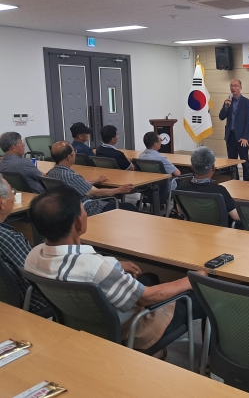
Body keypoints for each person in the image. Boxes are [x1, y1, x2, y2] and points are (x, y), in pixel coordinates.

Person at [24, 185, 206, 350]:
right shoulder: (98, 268)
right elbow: (148, 297)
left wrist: (115, 264)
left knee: (150, 277)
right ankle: (207, 361)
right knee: (202, 297)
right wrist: (190, 280)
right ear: (78, 223)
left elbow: (84, 266)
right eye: (83, 210)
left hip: (82, 324)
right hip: (133, 330)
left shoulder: (32, 257)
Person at [47, 141, 136, 216]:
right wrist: (119, 190)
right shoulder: (70, 176)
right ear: (69, 157)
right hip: (89, 209)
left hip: (66, 208)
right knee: (129, 207)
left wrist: (96, 180)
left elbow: (78, 184)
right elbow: (96, 192)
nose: (75, 154)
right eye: (74, 151)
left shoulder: (50, 173)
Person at [0, 174, 48, 312]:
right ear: (2, 203)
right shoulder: (9, 239)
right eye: (12, 191)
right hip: (31, 306)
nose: (13, 195)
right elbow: (37, 278)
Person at [176, 146, 240, 221]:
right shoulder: (219, 191)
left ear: (192, 167)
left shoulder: (182, 187)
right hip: (217, 228)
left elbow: (180, 210)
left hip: (193, 226)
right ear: (213, 168)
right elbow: (236, 216)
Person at [218, 79, 249, 181]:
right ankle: (235, 182)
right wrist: (225, 106)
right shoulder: (228, 102)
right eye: (231, 86)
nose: (233, 88)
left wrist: (245, 137)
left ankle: (246, 183)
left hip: (242, 137)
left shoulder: (247, 102)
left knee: (244, 161)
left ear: (240, 88)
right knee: (232, 163)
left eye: (236, 86)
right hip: (230, 136)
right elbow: (221, 117)